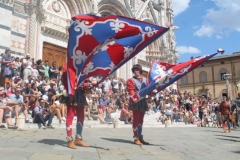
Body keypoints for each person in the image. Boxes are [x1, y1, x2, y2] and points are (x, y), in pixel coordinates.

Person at [62, 66, 91, 149]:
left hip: (80, 93)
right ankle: (69, 139)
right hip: (72, 91)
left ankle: (78, 138)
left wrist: (87, 87)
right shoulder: (68, 66)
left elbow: (85, 80)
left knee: (81, 116)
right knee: (70, 115)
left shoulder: (84, 66)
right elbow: (65, 79)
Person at [126, 64, 150, 145]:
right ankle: (135, 138)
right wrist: (135, 97)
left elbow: (148, 89)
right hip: (136, 101)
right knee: (136, 119)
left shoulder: (145, 80)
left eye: (137, 70)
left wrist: (150, 95)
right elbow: (131, 90)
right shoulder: (131, 80)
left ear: (140, 71)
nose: (136, 71)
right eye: (134, 70)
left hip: (143, 101)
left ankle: (140, 137)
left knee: (141, 120)